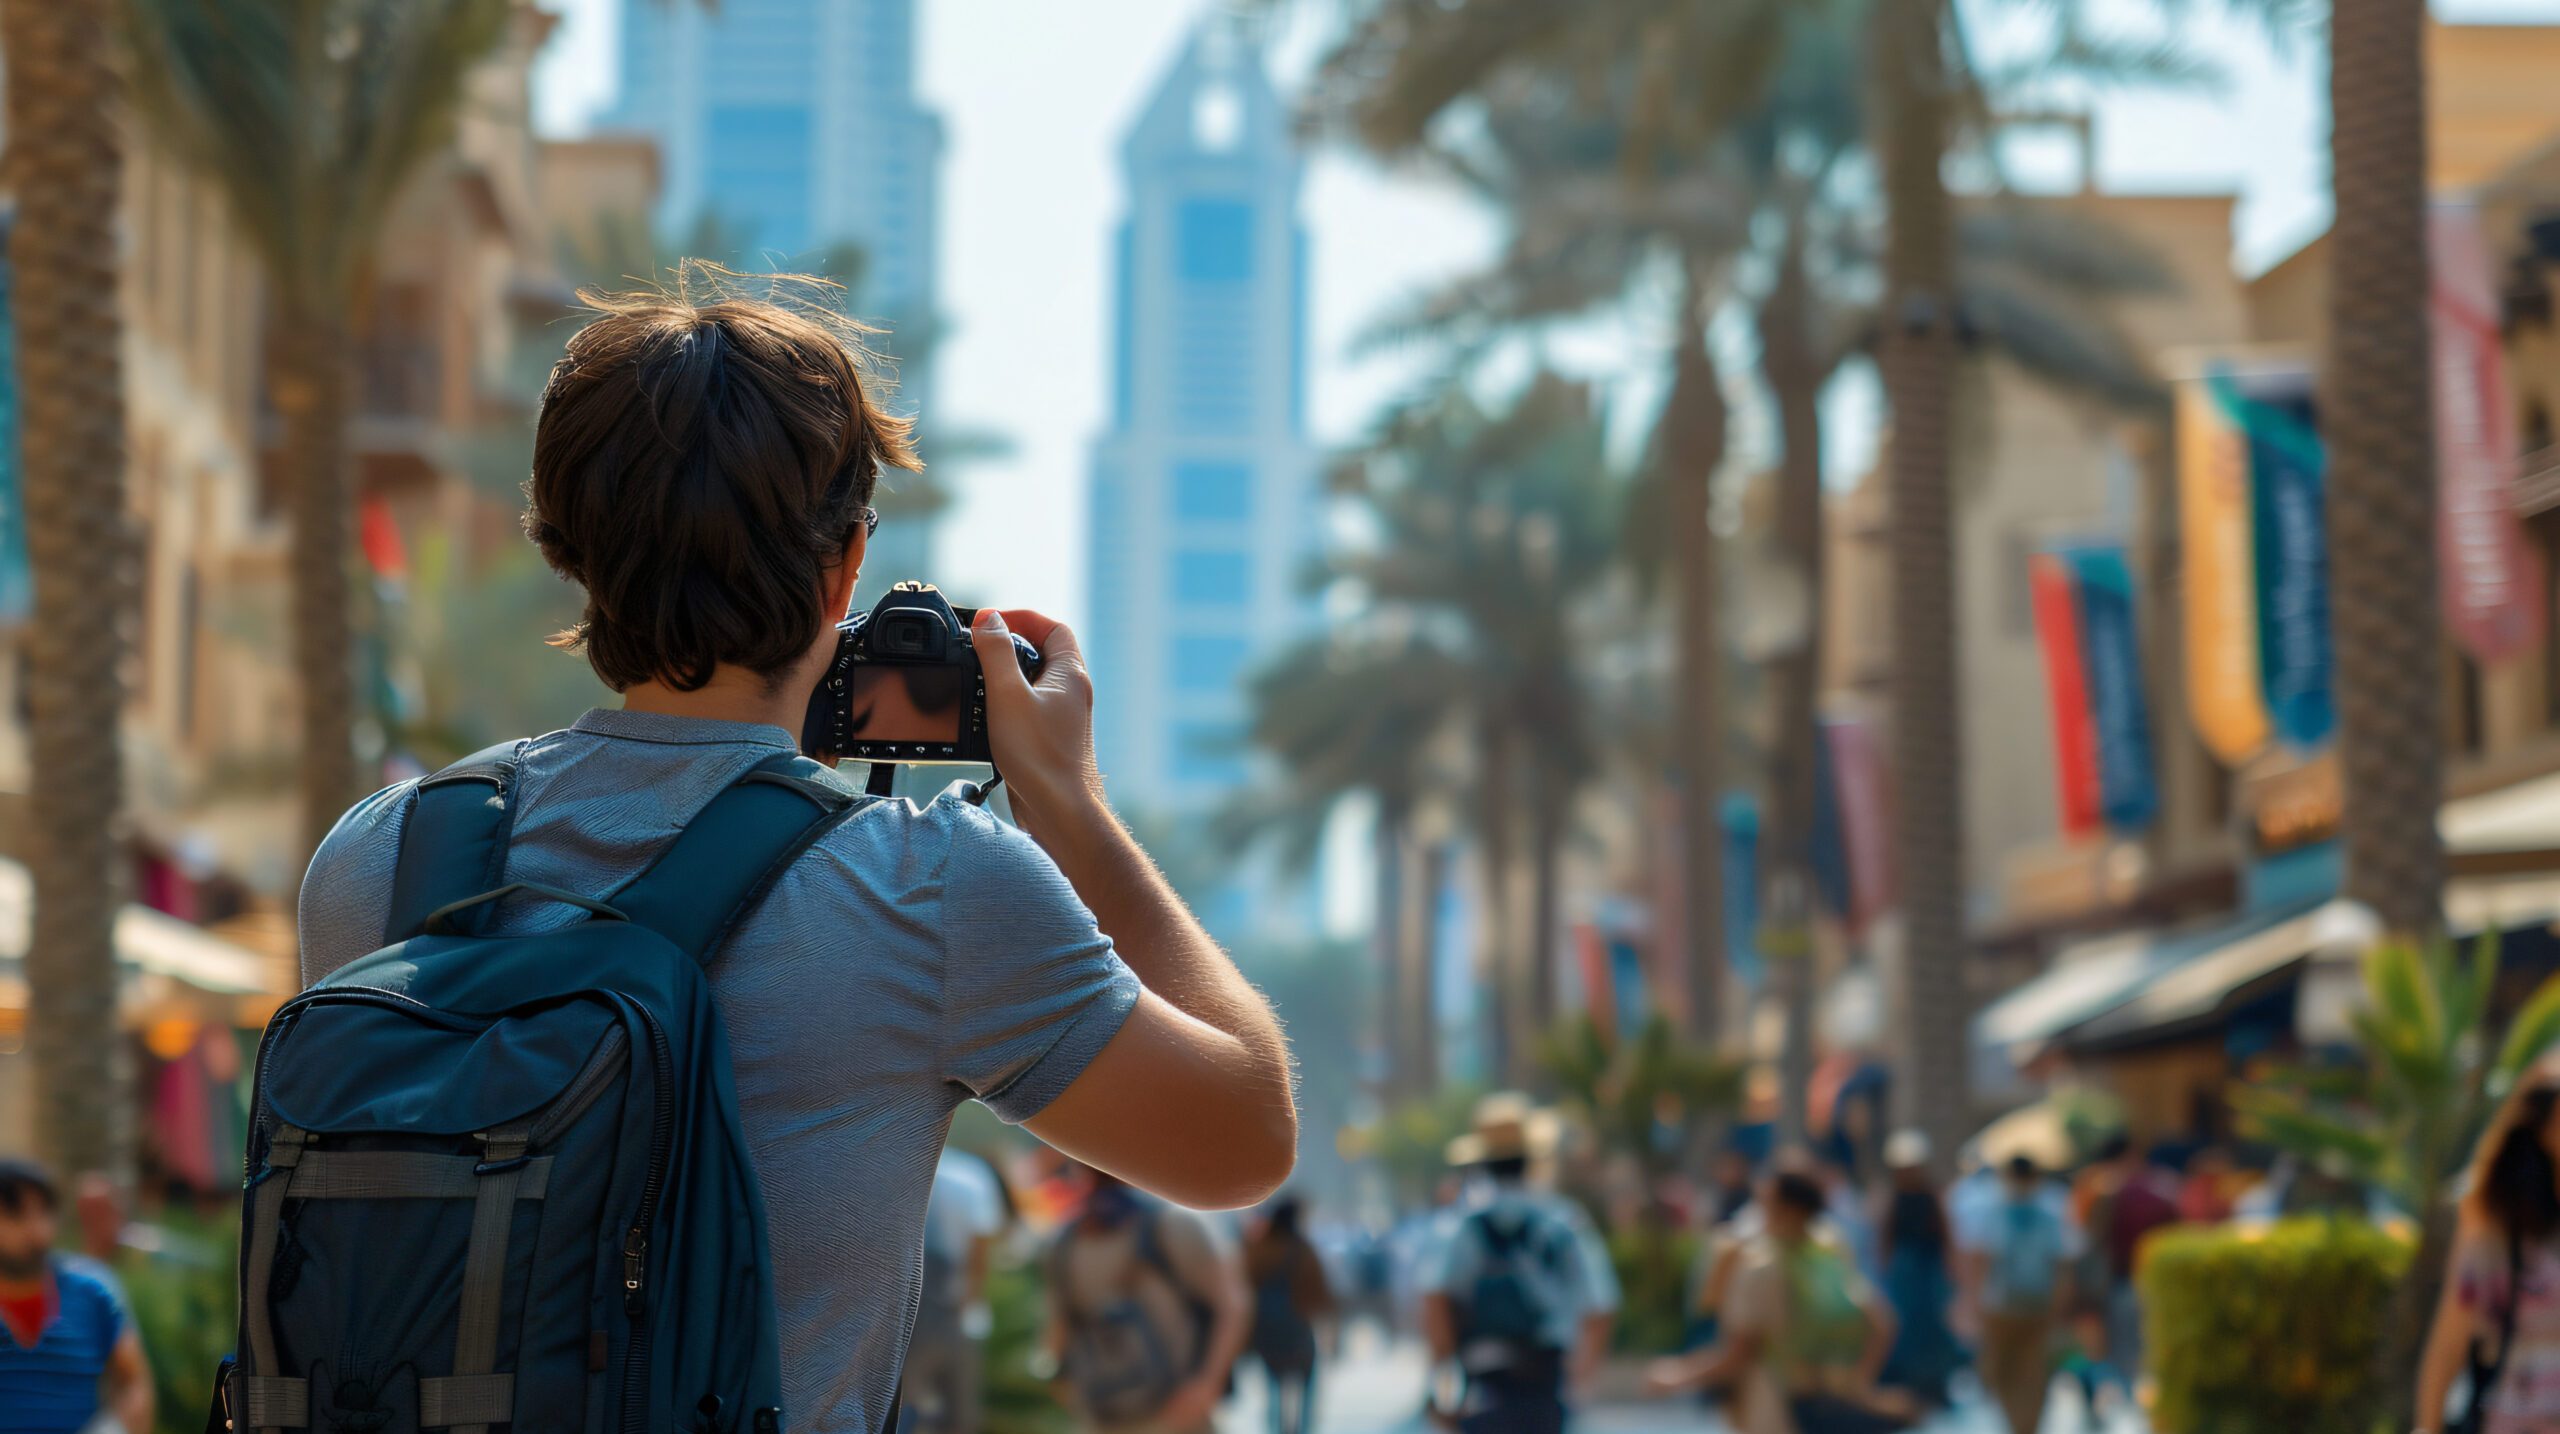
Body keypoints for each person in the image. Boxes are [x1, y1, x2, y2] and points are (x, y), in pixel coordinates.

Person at [297, 273, 1297, 1431]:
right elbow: (1244, 1139)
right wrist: (1065, 800)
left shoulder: (380, 858)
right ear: (845, 569)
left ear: (568, 551)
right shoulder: (930, 886)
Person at [1647, 1167, 1910, 1434]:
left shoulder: (1762, 1267)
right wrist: (1859, 1384)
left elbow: (1739, 1353)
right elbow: (1883, 1323)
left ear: (1783, 1208)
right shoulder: (1830, 1250)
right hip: (1833, 1400)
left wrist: (1676, 1376)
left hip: (1776, 1409)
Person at [1418, 1095, 1620, 1434]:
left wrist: (1438, 1379)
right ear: (1531, 1159)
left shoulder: (1463, 1225)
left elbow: (1436, 1301)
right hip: (1545, 1380)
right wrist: (1579, 1382)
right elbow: (1600, 1306)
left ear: (1481, 1162)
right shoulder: (1562, 1222)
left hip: (1483, 1384)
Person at [1045, 1166, 1249, 1434]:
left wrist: (1206, 1385)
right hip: (1155, 1416)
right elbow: (1233, 1305)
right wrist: (1207, 1384)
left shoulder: (1064, 1242)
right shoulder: (1176, 1222)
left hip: (1134, 1415)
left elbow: (1057, 1336)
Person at [2419, 1067, 2560, 1434]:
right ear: (2543, 1129)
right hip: (2518, 1418)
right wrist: (2427, 1427)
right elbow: (2452, 1334)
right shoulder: (2498, 1227)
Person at [0, 1160, 151, 1434]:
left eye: (42, 1210)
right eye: (15, 1211)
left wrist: (114, 1429)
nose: (34, 1227)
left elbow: (134, 1384)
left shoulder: (95, 1291)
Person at [1960, 1154, 2080, 1434]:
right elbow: (1981, 1258)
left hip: (2031, 1304)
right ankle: (2018, 1424)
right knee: (2006, 1370)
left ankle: (2026, 1426)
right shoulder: (1997, 1208)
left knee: (2032, 1371)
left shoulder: (2048, 1210)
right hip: (2004, 1305)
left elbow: (2061, 1263)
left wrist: (2059, 1303)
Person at [907, 1147, 1010, 1433]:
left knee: (906, 1408)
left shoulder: (904, 1172)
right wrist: (970, 1306)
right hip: (956, 1309)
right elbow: (981, 1252)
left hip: (908, 1315)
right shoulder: (972, 1175)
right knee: (959, 1414)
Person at [1873, 1132, 1965, 1410]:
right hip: (1906, 1271)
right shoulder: (1892, 1198)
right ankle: (1907, 1383)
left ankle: (1935, 1383)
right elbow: (1885, 1238)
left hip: (1929, 1270)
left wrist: (1952, 1272)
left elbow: (1948, 1236)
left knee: (1933, 1327)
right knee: (1904, 1327)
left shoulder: (1933, 1196)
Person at [1243, 1195, 1336, 1434]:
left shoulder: (1259, 1248)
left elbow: (1243, 1286)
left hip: (1265, 1333)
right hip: (1298, 1330)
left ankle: (1275, 1429)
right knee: (1308, 1387)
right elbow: (1321, 1293)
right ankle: (1301, 1429)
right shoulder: (1303, 1250)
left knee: (1272, 1390)